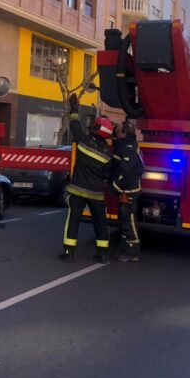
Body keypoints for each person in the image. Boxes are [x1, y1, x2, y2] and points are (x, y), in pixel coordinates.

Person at [61, 93, 114, 263]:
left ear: (95, 128)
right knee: (100, 223)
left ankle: (69, 252)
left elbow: (75, 125)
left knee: (73, 220)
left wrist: (74, 108)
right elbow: (108, 174)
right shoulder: (108, 153)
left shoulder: (83, 141)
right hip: (97, 194)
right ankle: (103, 253)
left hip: (77, 190)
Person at [111, 119, 144, 262]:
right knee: (124, 220)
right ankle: (125, 248)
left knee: (129, 220)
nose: (115, 132)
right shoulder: (126, 145)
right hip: (127, 189)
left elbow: (125, 170)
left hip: (128, 190)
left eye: (117, 130)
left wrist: (115, 184)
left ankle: (132, 252)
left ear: (124, 134)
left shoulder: (128, 149)